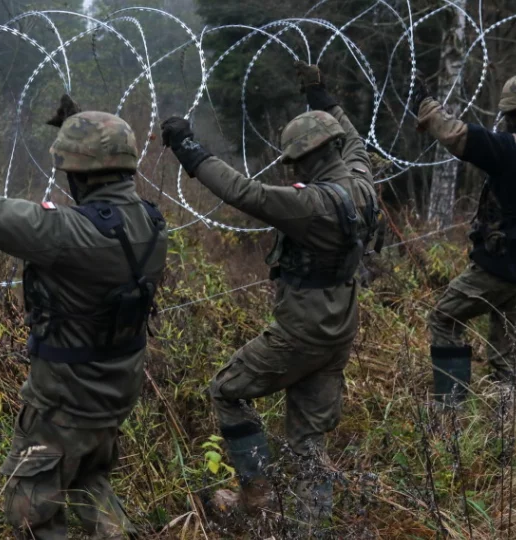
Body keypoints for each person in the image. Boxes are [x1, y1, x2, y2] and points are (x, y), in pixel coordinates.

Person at [0, 91, 168, 539]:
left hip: (64, 401)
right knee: (86, 479)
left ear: (79, 173)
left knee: (31, 512)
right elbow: (106, 218)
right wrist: (82, 130)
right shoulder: (152, 222)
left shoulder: (67, 233)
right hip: (116, 390)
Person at [160, 62, 382, 525]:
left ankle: (257, 497)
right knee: (308, 439)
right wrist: (320, 94)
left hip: (301, 332)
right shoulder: (362, 181)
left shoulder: (310, 205)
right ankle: (309, 528)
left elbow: (243, 192)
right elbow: (356, 139)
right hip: (340, 325)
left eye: (296, 161)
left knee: (226, 390)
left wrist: (187, 147)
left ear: (305, 160)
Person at [413, 73, 516, 403]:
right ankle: (504, 431)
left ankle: (451, 406)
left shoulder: (514, 149)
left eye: (509, 116)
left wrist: (429, 108)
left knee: (444, 317)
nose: (506, 123)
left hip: (499, 266)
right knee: (507, 362)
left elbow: (457, 136)